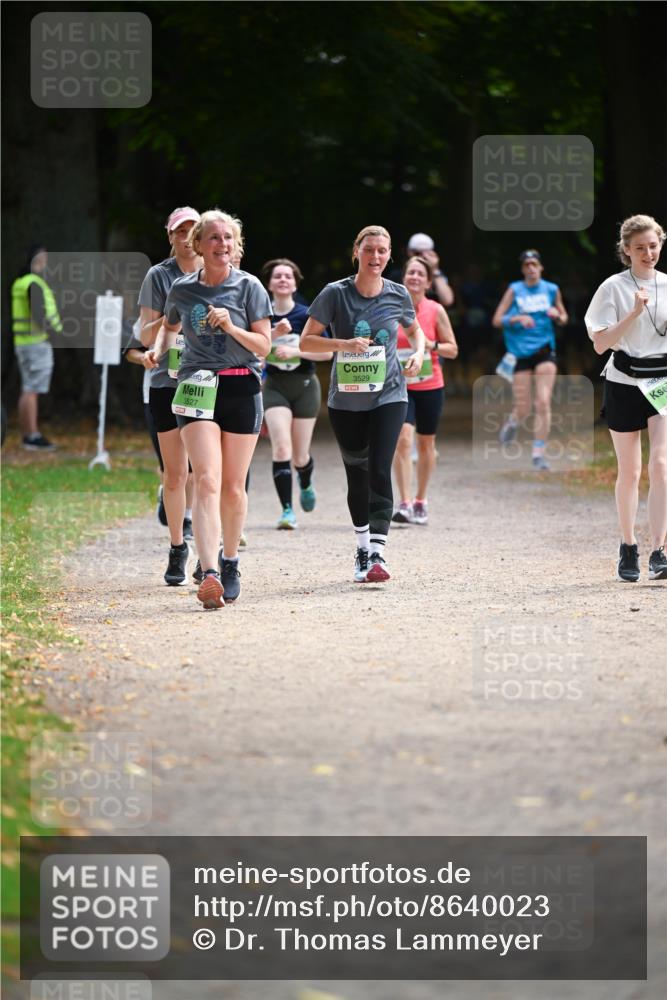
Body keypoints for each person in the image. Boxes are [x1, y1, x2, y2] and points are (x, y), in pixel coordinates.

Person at [146, 209, 272, 609]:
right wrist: (158, 349)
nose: (222, 245)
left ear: (237, 247)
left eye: (228, 239)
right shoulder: (182, 289)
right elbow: (168, 325)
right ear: (198, 245)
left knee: (233, 487)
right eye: (214, 238)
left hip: (241, 385)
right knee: (205, 480)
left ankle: (230, 560)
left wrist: (232, 326)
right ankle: (210, 571)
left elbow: (264, 347)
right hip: (197, 386)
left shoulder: (250, 287)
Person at [300, 225, 425, 583]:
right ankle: (360, 547)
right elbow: (307, 342)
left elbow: (416, 333)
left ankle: (377, 553)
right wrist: (343, 344)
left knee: (380, 468)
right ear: (357, 252)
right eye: (369, 250)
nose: (375, 257)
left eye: (382, 251)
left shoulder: (399, 294)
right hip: (347, 402)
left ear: (389, 256)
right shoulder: (334, 294)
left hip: (390, 394)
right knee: (357, 473)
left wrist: (417, 353)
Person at [585, 214, 667, 582]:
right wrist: (634, 312)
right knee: (631, 471)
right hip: (623, 381)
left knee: (662, 466)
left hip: (661, 382)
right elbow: (601, 343)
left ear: (660, 244)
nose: (648, 253)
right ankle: (628, 545)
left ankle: (660, 551)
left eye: (653, 245)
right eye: (640, 248)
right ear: (626, 251)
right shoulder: (612, 288)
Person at [138, 207, 201, 586]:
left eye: (193, 230)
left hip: (206, 380)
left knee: (204, 471)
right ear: (170, 235)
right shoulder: (158, 275)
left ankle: (205, 548)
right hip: (166, 381)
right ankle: (178, 546)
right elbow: (146, 336)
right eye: (180, 231)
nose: (186, 236)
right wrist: (172, 314)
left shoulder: (217, 272)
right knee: (175, 473)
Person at [261, 258, 332, 529]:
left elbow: (327, 352)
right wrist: (272, 333)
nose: (282, 280)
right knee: (281, 447)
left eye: (287, 276)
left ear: (294, 283)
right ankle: (287, 510)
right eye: (277, 276)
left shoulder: (305, 315)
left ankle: (305, 478)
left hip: (304, 386)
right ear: (269, 283)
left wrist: (296, 351)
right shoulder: (260, 315)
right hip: (275, 386)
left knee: (300, 455)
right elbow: (247, 349)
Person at [391, 256, 458, 525]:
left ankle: (421, 500)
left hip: (430, 384)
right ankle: (404, 502)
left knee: (426, 443)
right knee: (403, 440)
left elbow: (453, 349)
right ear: (403, 278)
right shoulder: (392, 307)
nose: (415, 277)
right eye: (410, 273)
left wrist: (430, 346)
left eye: (420, 274)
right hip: (400, 385)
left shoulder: (435, 310)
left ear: (428, 282)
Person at [491, 249, 568, 470]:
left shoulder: (552, 289)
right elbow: (497, 319)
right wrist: (517, 318)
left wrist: (557, 315)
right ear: (523, 269)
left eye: (534, 264)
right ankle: (513, 422)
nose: (531, 268)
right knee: (523, 407)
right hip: (520, 354)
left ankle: (538, 452)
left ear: (541, 267)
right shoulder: (515, 290)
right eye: (526, 265)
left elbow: (563, 317)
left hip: (545, 352)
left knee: (542, 402)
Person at [11, 244, 63, 450]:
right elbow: (39, 314)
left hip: (23, 343)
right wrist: (53, 332)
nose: (45, 262)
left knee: (27, 388)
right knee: (32, 390)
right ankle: (32, 435)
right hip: (36, 343)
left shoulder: (21, 282)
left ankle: (27, 434)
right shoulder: (34, 283)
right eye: (41, 258)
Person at [405, 232, 454, 308]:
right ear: (409, 252)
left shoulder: (437, 275)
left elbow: (447, 300)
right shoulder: (397, 274)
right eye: (417, 253)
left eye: (426, 253)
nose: (421, 257)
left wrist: (435, 270)